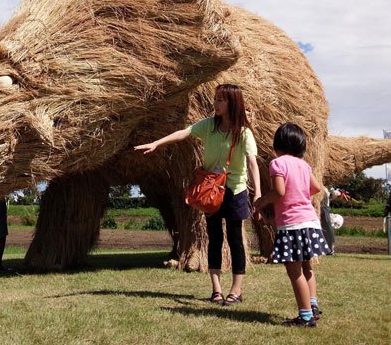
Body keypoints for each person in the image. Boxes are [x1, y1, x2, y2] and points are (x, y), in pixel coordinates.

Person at [135, 83, 261, 306]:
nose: (216, 103)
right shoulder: (210, 126)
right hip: (211, 192)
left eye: (221, 99)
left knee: (235, 241)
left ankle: (236, 290)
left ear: (233, 102)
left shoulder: (243, 132)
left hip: (235, 191)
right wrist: (157, 143)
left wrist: (258, 192)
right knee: (214, 239)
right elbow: (185, 132)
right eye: (216, 99)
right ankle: (216, 290)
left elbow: (252, 163)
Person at [253, 123, 331, 328]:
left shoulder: (277, 163)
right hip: (310, 221)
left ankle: (305, 317)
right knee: (307, 266)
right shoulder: (303, 165)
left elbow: (279, 192)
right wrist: (299, 195)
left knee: (294, 270)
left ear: (277, 144)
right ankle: (312, 305)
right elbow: (315, 188)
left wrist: (262, 200)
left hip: (292, 226)